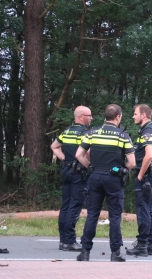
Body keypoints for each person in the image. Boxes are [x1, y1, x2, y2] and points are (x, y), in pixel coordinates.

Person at [75, 104, 135, 262]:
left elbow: (79, 154)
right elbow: (132, 162)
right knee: (115, 216)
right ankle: (115, 253)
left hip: (94, 177)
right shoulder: (123, 136)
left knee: (92, 215)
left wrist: (91, 167)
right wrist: (120, 169)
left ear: (105, 116)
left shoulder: (92, 132)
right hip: (113, 179)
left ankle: (85, 252)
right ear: (118, 117)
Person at [50, 106, 92, 252]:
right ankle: (70, 241)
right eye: (89, 115)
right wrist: (89, 166)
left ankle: (63, 241)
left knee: (65, 205)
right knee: (74, 206)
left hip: (66, 170)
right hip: (79, 172)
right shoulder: (85, 133)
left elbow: (54, 146)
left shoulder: (66, 131)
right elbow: (87, 154)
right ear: (81, 117)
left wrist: (64, 158)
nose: (91, 118)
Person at [126, 104, 152, 257]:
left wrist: (140, 175)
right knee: (149, 209)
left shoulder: (147, 131)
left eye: (135, 114)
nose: (133, 116)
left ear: (143, 115)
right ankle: (149, 244)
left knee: (143, 210)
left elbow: (148, 155)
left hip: (146, 176)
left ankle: (142, 245)